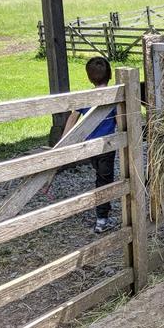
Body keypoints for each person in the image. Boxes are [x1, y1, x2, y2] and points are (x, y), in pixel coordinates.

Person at [61, 57, 119, 233]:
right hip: (106, 146)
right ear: (109, 75)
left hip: (89, 147)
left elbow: (73, 117)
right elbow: (121, 119)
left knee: (101, 177)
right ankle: (102, 219)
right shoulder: (114, 97)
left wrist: (64, 141)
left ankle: (104, 211)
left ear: (89, 78)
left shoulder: (86, 97)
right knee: (104, 180)